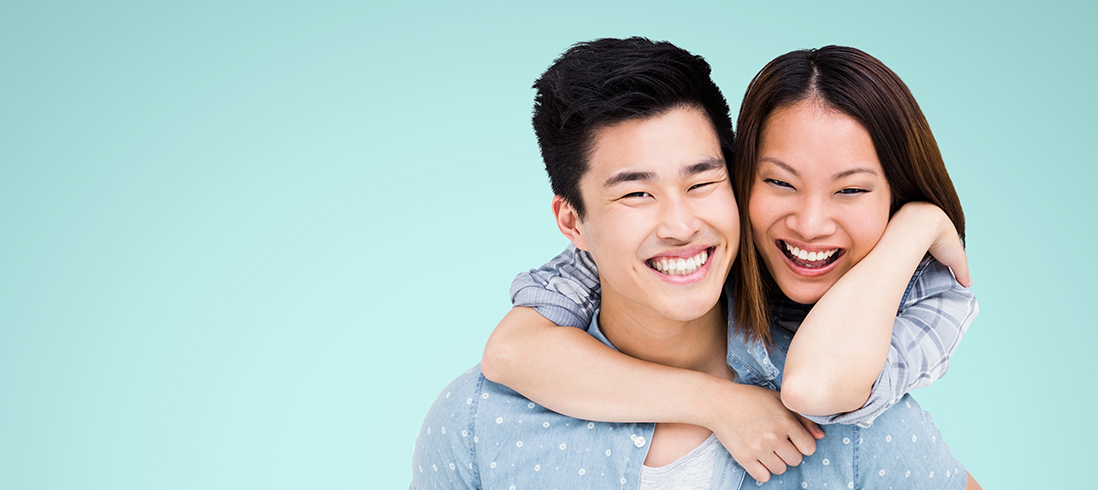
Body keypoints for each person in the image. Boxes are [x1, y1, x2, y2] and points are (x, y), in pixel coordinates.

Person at [412, 37, 969, 490]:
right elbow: (511, 351)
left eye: (702, 182)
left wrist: (917, 224)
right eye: (635, 195)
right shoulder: (479, 424)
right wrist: (717, 404)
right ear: (572, 222)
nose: (680, 225)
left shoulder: (856, 414)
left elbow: (826, 387)